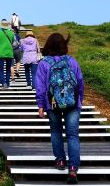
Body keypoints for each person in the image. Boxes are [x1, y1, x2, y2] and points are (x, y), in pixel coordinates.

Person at [35, 33, 83, 184]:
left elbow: (40, 87)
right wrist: (79, 101)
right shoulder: (72, 61)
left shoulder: (44, 63)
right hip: (72, 103)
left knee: (56, 131)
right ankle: (73, 168)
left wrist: (41, 105)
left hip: (52, 102)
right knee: (73, 135)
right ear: (64, 45)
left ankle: (61, 161)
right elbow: (80, 82)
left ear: (48, 45)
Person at [0, 19, 15, 88]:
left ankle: (3, 83)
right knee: (8, 69)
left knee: (1, 69)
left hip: (1, 53)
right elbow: (13, 42)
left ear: (1, 26)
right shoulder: (11, 33)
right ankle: (7, 83)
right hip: (9, 53)